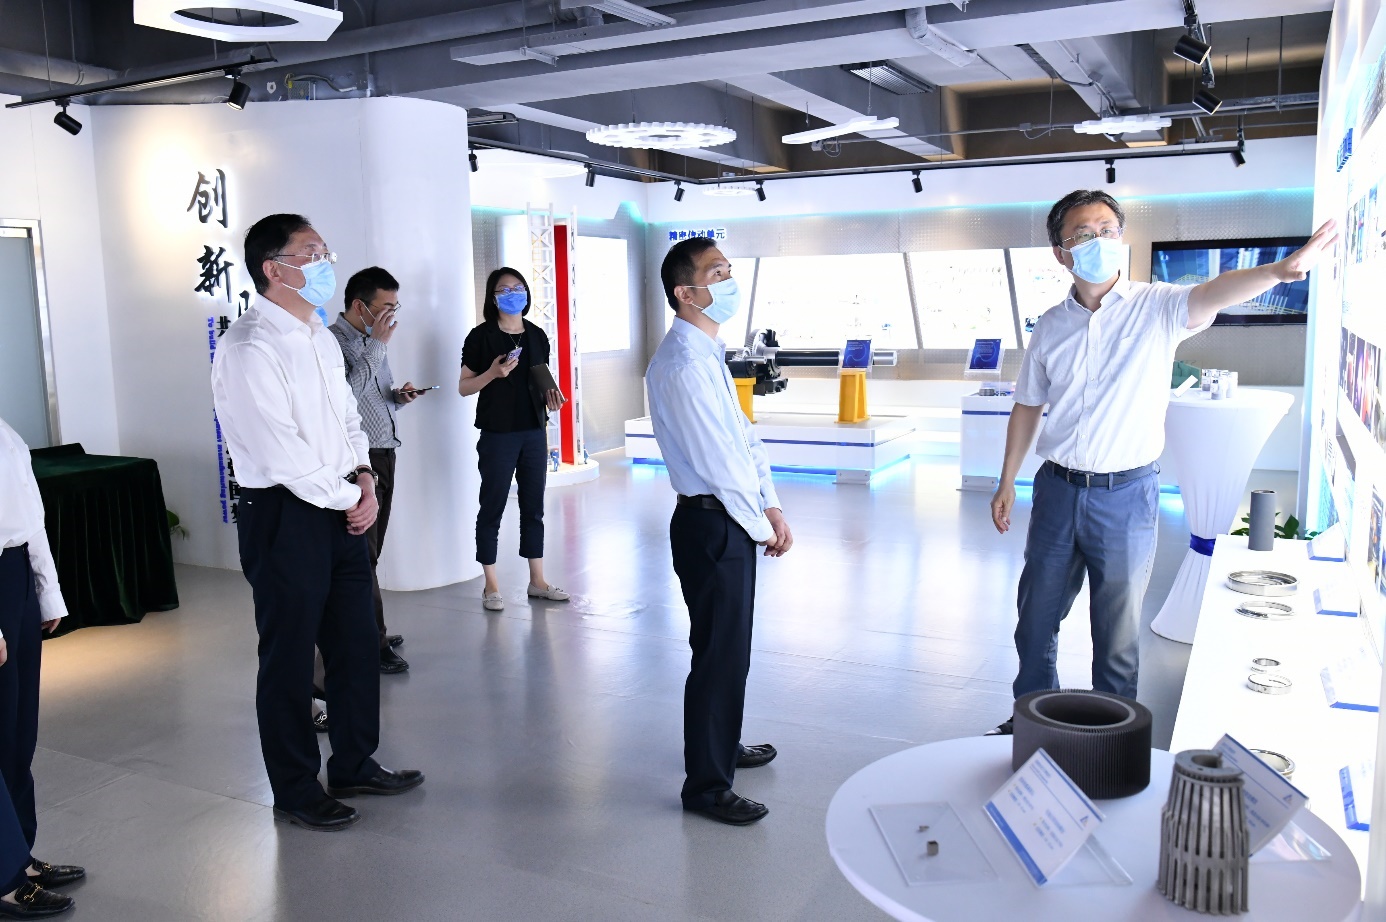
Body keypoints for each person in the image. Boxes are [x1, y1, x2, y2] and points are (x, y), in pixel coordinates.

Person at [986, 190, 1337, 734]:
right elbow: (1029, 404)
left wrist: (1278, 271)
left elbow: (1213, 292)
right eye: (1084, 234)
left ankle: (1111, 737)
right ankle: (1031, 722)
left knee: (1117, 632)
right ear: (1061, 251)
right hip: (1056, 488)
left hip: (1126, 496)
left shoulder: (1157, 306)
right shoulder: (1050, 325)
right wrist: (1007, 480)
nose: (1099, 241)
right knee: (1035, 621)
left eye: (1107, 230)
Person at [211, 214, 424, 832]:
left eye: (326, 251)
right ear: (274, 269)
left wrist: (365, 476)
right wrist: (348, 494)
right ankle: (295, 786)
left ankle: (354, 762)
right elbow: (280, 452)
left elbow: (347, 419)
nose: (326, 262)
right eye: (312, 253)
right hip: (286, 515)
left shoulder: (320, 337)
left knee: (355, 644)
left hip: (342, 504)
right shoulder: (249, 346)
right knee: (289, 657)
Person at [646, 238, 793, 826]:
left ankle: (721, 743)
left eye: (729, 269)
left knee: (730, 651)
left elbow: (744, 438)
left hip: (730, 517)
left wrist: (772, 508)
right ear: (685, 293)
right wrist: (761, 525)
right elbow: (719, 462)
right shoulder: (682, 365)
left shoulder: (707, 352)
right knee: (717, 654)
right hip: (712, 522)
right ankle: (706, 786)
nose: (729, 280)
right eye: (717, 273)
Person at [0, 417, 82, 918]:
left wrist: (46, 591)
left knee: (17, 735)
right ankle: (4, 877)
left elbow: (30, 514)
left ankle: (19, 855)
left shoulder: (4, 429)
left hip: (15, 576)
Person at [329, 266, 422, 675]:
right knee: (362, 556)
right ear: (359, 306)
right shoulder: (332, 343)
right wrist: (378, 346)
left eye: (395, 307)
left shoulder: (372, 341)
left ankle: (367, 628)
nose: (391, 316)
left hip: (385, 452)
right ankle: (373, 641)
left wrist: (398, 397)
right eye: (386, 307)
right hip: (359, 462)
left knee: (372, 553)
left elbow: (370, 395)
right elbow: (344, 397)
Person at [458, 267, 568, 612]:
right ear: (493, 298)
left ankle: (537, 580)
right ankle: (491, 584)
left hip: (534, 431)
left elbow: (541, 380)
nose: (512, 294)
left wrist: (552, 397)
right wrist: (492, 373)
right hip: (497, 434)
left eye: (518, 288)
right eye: (504, 290)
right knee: (492, 505)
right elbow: (464, 387)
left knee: (533, 507)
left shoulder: (537, 335)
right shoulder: (481, 337)